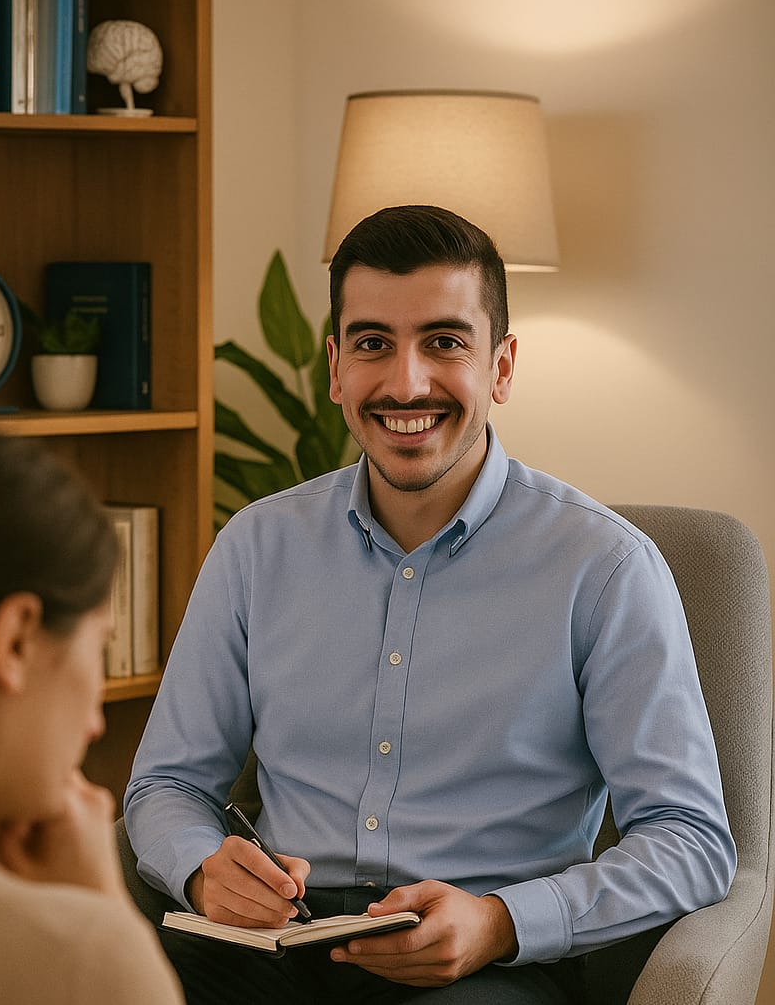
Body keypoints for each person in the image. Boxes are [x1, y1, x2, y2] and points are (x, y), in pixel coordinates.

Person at [124, 205, 736, 1004]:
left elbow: (690, 841)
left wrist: (500, 920)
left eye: (444, 342)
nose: (406, 382)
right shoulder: (255, 547)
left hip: (485, 967)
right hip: (267, 951)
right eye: (374, 343)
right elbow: (166, 782)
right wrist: (204, 869)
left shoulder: (607, 568)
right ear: (336, 366)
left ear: (502, 366)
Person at [0, 416, 184, 1005]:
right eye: (99, 650)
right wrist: (102, 916)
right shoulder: (81, 963)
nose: (95, 724)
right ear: (16, 641)